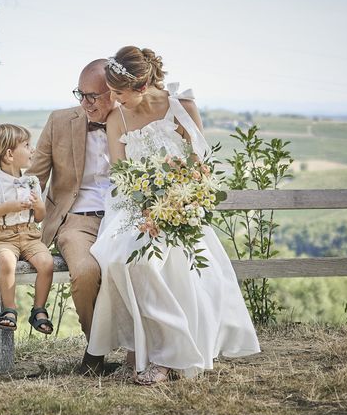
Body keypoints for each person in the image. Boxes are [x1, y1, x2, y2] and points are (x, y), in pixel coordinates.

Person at [87, 46, 261, 385]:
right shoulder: (117, 118)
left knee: (160, 261)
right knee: (121, 257)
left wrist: (180, 201)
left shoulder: (182, 107)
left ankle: (167, 357)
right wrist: (147, 202)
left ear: (140, 86)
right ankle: (142, 344)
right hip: (131, 205)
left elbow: (201, 166)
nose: (115, 100)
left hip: (181, 203)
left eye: (119, 93)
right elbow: (122, 174)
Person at [0, 60, 117, 374]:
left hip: (125, 218)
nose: (84, 103)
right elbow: (33, 180)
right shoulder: (59, 121)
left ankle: (144, 350)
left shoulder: (131, 119)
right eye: (79, 94)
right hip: (77, 220)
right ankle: (95, 353)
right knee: (84, 271)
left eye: (92, 96)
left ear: (114, 93)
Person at [0, 124, 55, 334]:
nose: (33, 150)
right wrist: (6, 207)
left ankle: (39, 310)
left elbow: (40, 216)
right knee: (8, 262)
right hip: (3, 238)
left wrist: (38, 206)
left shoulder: (32, 182)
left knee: (46, 263)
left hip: (30, 235)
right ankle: (9, 310)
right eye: (27, 145)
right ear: (9, 154)